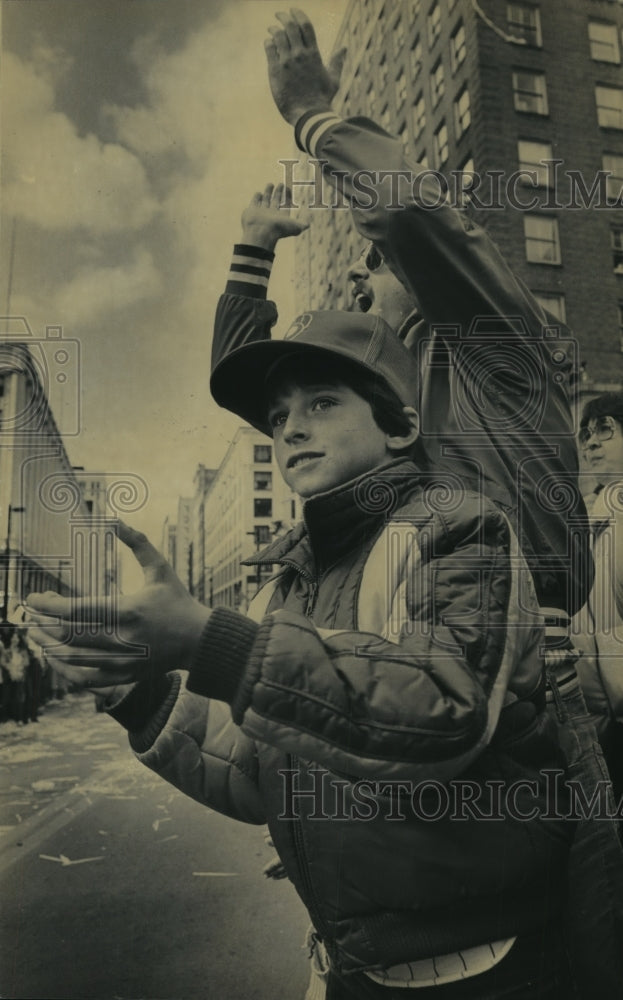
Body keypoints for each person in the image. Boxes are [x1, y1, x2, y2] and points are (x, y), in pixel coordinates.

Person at [27, 311, 577, 998]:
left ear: (399, 427)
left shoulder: (455, 525)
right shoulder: (288, 581)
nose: (289, 426)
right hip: (350, 965)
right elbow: (256, 780)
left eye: (320, 401)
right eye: (278, 412)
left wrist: (211, 641)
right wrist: (131, 693)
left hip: (482, 965)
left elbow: (443, 715)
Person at [211, 8, 592, 637]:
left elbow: (408, 213)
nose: (357, 277)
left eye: (377, 260)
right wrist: (252, 253)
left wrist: (313, 117)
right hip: (404, 654)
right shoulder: (377, 391)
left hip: (520, 659)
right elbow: (248, 385)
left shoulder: (495, 347)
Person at [573, 391, 623, 800]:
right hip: (599, 727)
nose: (590, 442)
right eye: (585, 433)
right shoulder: (586, 518)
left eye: (605, 429)